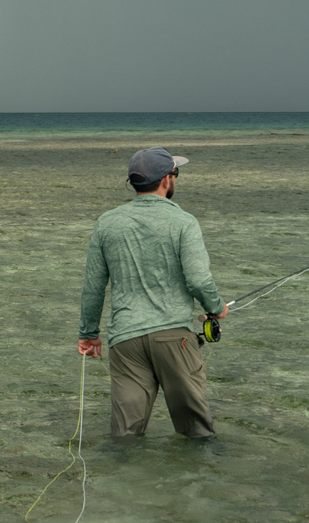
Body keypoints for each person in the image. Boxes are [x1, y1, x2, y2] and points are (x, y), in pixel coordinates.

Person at [77, 147, 229, 441]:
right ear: (166, 180)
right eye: (176, 173)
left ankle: (120, 484)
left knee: (125, 437)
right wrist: (216, 306)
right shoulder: (184, 222)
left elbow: (94, 285)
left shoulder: (106, 222)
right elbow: (198, 279)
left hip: (126, 341)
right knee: (198, 434)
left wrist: (88, 333)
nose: (175, 179)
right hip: (176, 339)